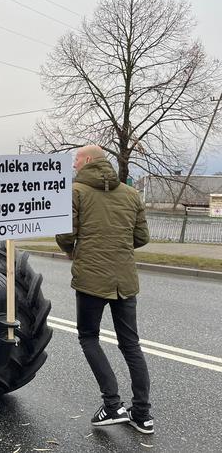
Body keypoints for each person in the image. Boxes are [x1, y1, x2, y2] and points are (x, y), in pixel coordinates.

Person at [56, 145, 153, 434]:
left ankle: (112, 405)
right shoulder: (131, 193)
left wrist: (74, 252)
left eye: (76, 160)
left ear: (87, 161)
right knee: (131, 344)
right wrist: (119, 249)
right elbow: (142, 236)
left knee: (89, 337)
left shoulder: (75, 192)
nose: (74, 165)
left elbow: (65, 234)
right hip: (125, 281)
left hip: (91, 279)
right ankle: (143, 415)